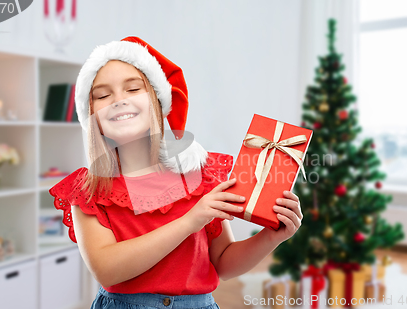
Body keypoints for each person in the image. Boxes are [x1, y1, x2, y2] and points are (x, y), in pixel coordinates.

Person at [49, 36, 303, 309]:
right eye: (102, 95)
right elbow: (107, 270)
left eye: (133, 89)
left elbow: (223, 264)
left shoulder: (199, 175)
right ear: (91, 116)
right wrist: (190, 221)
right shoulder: (88, 190)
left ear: (158, 101)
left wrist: (271, 236)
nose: (119, 100)